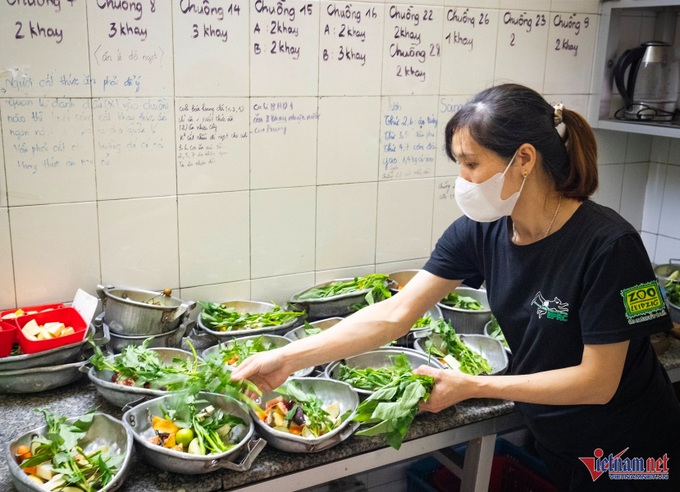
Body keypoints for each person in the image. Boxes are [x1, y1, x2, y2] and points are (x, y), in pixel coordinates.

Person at [231, 83, 680, 491]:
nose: (463, 180)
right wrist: (286, 358)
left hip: (633, 454)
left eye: (471, 163)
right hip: (561, 443)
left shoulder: (609, 245)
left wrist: (473, 384)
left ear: (524, 159)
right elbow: (394, 313)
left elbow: (597, 382)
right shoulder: (482, 232)